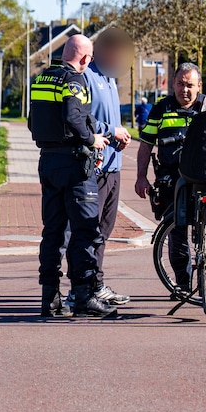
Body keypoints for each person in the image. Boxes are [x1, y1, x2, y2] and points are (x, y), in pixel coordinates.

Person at [28, 35, 113, 318]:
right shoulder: (74, 80)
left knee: (53, 231)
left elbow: (32, 121)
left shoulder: (41, 79)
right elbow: (73, 116)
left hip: (48, 161)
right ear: (86, 59)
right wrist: (92, 139)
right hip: (75, 165)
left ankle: (50, 298)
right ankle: (84, 296)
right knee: (86, 230)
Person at [134, 62, 206, 297]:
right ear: (173, 84)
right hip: (172, 177)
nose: (185, 90)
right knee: (176, 232)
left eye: (190, 85)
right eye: (181, 84)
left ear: (199, 86)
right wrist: (141, 177)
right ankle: (182, 284)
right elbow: (146, 145)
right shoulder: (161, 109)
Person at [82, 28, 134, 307]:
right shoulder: (87, 77)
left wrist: (120, 134)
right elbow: (83, 120)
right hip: (97, 167)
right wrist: (112, 131)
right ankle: (84, 288)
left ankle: (96, 284)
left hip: (114, 166)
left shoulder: (111, 78)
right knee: (89, 231)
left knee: (104, 230)